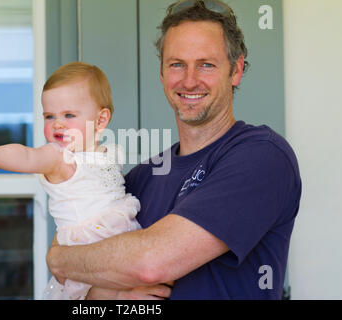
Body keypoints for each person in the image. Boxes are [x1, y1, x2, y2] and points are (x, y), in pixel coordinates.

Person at [46, 0, 302, 299]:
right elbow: (76, 251)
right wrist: (109, 296)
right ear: (162, 73)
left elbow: (150, 263)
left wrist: (59, 260)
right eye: (177, 64)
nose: (189, 80)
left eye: (206, 64)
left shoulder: (262, 157)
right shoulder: (142, 177)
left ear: (236, 70)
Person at [0, 62, 142, 300]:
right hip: (84, 249)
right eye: (50, 116)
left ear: (100, 121)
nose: (57, 124)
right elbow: (26, 156)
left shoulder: (108, 152)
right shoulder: (58, 158)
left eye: (69, 115)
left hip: (119, 238)